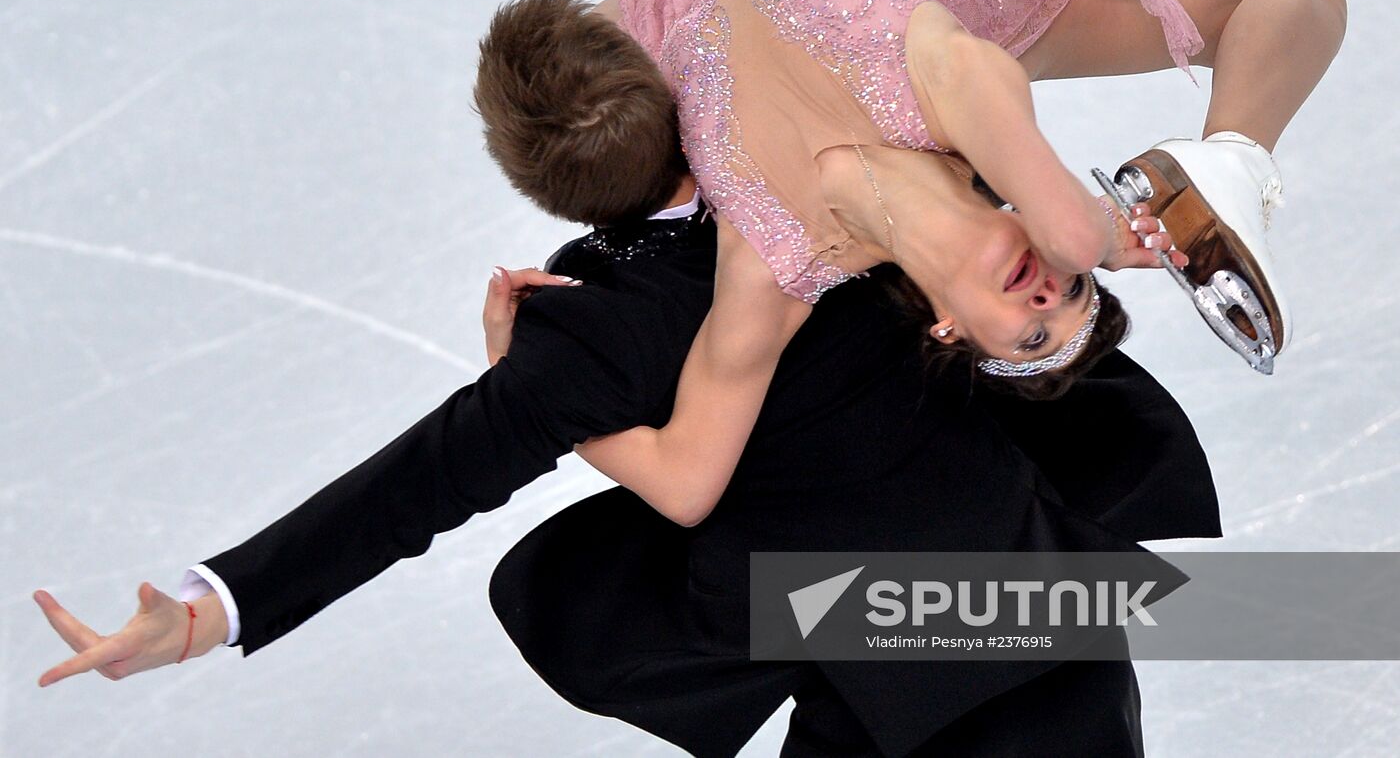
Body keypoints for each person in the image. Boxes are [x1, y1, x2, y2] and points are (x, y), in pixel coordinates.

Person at [32, 160, 1222, 756]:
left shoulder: (598, 333)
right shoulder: (854, 184)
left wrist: (213, 604)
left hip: (968, 649)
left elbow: (418, 482)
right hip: (959, 648)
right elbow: (414, 482)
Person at [474, 0, 1345, 529]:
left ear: (950, 328)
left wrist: (522, 377)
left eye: (1033, 336)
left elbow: (684, 482)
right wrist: (1094, 228)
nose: (1050, 296)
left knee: (582, 119)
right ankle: (1235, 156)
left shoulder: (776, 260)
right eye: (1075, 293)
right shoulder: (957, 98)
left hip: (678, 34)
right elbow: (975, 78)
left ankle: (1220, 174)